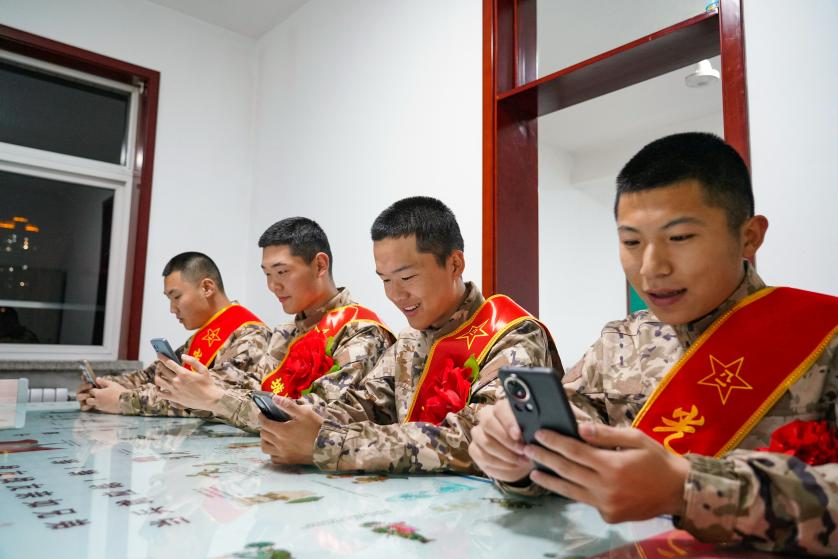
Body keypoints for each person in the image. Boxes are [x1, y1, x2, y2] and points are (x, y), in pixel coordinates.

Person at [468, 132, 838, 555]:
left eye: (679, 238)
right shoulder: (620, 341)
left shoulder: (824, 334)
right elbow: (562, 448)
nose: (650, 268)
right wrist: (515, 458)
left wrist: (686, 489)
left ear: (749, 237)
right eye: (631, 242)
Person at [259, 196, 559, 473]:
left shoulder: (513, 335)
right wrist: (296, 419)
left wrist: (328, 444)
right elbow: (366, 404)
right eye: (385, 280)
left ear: (455, 264)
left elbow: (478, 439)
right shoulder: (409, 341)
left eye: (407, 277)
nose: (395, 294)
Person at [155, 217, 394, 432]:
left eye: (282, 272)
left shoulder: (360, 331)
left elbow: (321, 416)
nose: (272, 286)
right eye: (267, 274)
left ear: (320, 265)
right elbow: (251, 391)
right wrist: (200, 390)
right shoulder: (285, 333)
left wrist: (216, 399)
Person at [77, 252, 270, 416]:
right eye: (169, 299)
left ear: (207, 288)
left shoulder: (252, 335)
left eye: (177, 296)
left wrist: (122, 401)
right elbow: (149, 376)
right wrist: (101, 388)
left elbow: (202, 398)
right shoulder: (201, 337)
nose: (172, 309)